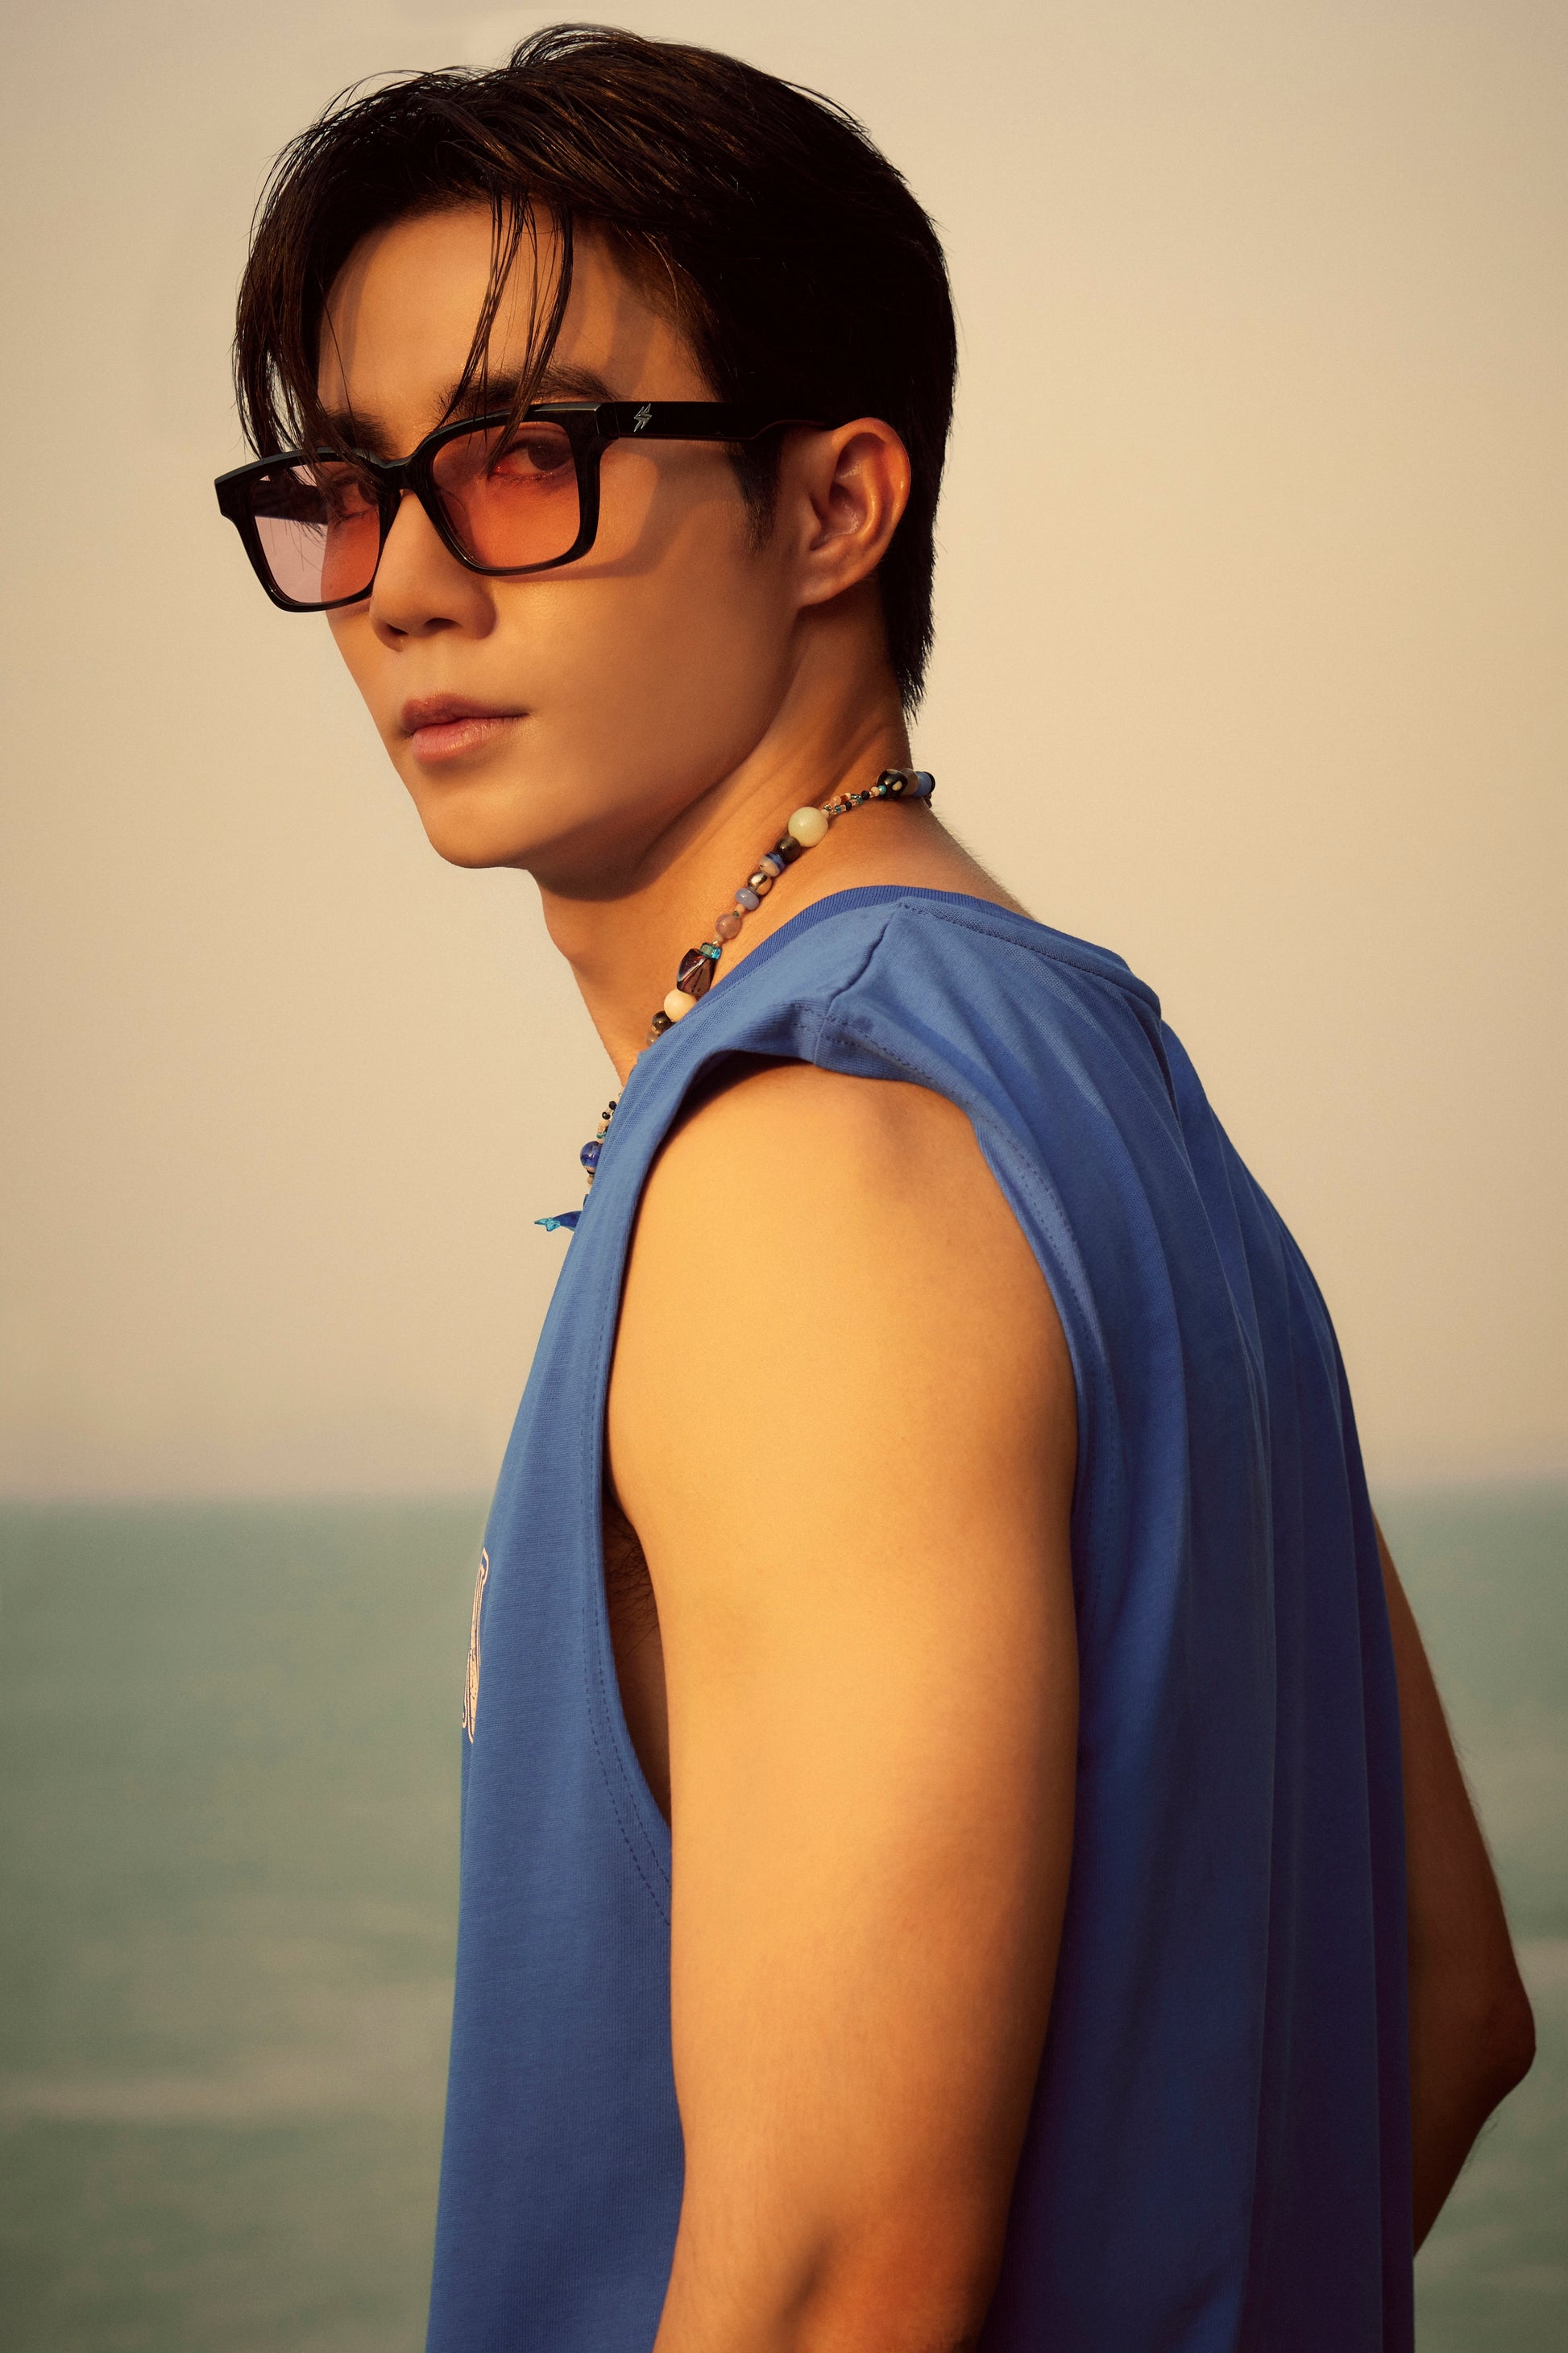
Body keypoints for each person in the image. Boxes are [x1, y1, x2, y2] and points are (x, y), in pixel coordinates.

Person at [215, 25, 1534, 2351]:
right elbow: (1442, 2010)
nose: (400, 582)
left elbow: (846, 2277)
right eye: (344, 486)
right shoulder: (1096, 1086)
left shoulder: (808, 1167)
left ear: (835, 510)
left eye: (520, 459)